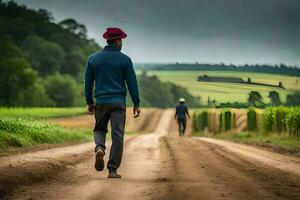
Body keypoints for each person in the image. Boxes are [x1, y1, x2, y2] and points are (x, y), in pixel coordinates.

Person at [84, 27, 141, 178]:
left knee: (99, 128)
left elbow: (88, 83)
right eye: (121, 40)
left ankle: (100, 148)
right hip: (118, 103)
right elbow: (132, 83)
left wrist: (90, 101)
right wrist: (136, 103)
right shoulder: (125, 60)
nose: (121, 42)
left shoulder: (93, 59)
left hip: (101, 102)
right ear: (117, 41)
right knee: (117, 135)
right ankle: (112, 170)